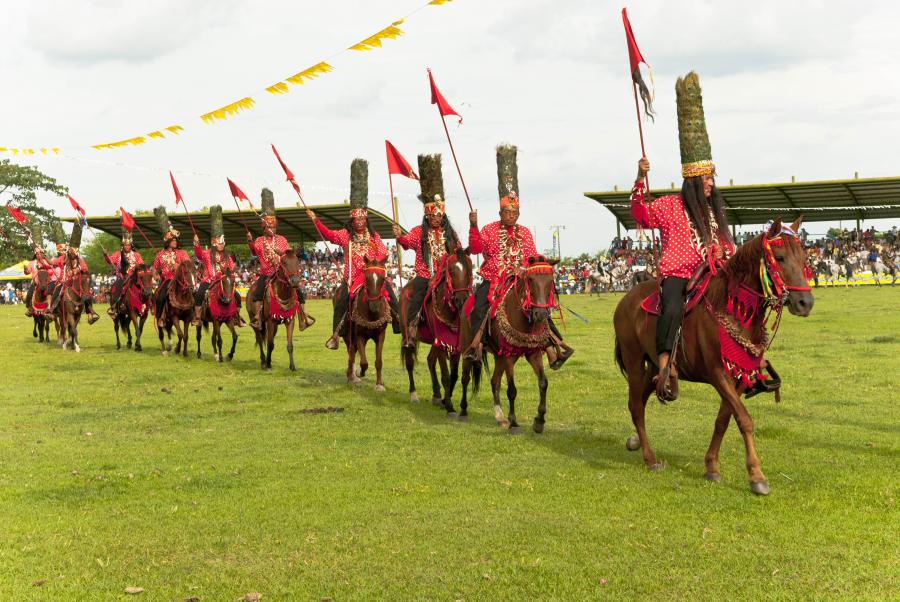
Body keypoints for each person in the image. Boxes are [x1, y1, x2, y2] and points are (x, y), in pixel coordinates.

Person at [629, 71, 735, 401]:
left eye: (711, 177)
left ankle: (745, 361)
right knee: (672, 305)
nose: (709, 183)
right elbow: (640, 214)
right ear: (691, 179)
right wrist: (639, 177)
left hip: (714, 275)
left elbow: (727, 244)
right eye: (704, 178)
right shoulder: (671, 205)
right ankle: (664, 362)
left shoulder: (716, 211)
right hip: (679, 274)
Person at [462, 144, 574, 369]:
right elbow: (475, 249)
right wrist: (474, 225)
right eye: (507, 212)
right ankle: (477, 346)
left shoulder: (524, 232)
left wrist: (533, 267)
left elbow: (531, 259)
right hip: (494, 280)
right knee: (479, 307)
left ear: (518, 213)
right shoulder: (490, 229)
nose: (511, 215)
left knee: (540, 306)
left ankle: (553, 345)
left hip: (519, 280)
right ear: (500, 212)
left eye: (514, 212)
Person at [391, 153, 481, 348]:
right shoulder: (418, 232)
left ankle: (471, 329)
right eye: (432, 215)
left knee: (464, 294)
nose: (436, 219)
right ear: (427, 216)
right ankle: (412, 329)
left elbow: (458, 253)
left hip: (447, 276)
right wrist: (399, 236)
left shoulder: (451, 234)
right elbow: (406, 242)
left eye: (439, 216)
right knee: (416, 296)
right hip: (426, 275)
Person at [309, 158, 399, 350]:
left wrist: (378, 262)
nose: (359, 222)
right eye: (356, 219)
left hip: (371, 276)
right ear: (352, 219)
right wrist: (316, 220)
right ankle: (335, 335)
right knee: (341, 300)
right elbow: (328, 234)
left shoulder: (374, 237)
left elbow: (383, 253)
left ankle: (400, 324)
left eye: (362, 219)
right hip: (352, 278)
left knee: (391, 293)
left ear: (366, 219)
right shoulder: (345, 235)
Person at [246, 189, 306, 330]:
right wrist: (250, 242)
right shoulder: (260, 240)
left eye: (273, 226)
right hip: (266, 274)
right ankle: (257, 318)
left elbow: (287, 255)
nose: (272, 228)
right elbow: (254, 252)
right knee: (257, 293)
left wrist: (280, 259)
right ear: (264, 227)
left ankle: (303, 319)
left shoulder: (282, 239)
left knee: (300, 294)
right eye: (269, 226)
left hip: (281, 274)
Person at [193, 205, 244, 326]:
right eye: (220, 243)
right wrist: (196, 243)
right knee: (199, 294)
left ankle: (237, 317)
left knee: (236, 296)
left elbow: (231, 268)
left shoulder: (227, 255)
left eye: (223, 243)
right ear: (214, 243)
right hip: (209, 281)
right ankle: (198, 317)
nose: (222, 245)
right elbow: (198, 254)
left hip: (223, 282)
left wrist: (230, 272)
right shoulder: (206, 253)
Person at [151, 207, 191, 320]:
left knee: (193, 294)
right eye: (173, 240)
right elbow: (154, 268)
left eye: (175, 240)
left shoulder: (182, 253)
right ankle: (160, 317)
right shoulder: (159, 254)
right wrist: (156, 275)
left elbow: (188, 265)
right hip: (166, 280)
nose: (175, 242)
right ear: (167, 242)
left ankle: (194, 315)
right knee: (160, 297)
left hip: (180, 280)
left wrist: (179, 266)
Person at [103, 231, 144, 316]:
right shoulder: (118, 254)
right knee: (116, 287)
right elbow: (110, 261)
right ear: (123, 246)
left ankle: (145, 305)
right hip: (122, 277)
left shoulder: (136, 255)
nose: (127, 247)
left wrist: (140, 272)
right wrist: (106, 255)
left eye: (128, 245)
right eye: (125, 245)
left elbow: (141, 265)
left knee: (145, 287)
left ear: (131, 245)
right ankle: (114, 307)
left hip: (134, 278)